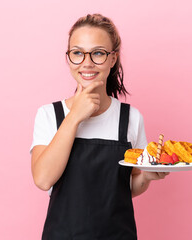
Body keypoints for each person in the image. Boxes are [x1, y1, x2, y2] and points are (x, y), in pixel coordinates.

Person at [30, 13, 169, 240]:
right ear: (68, 59)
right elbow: (43, 179)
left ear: (112, 59)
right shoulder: (49, 115)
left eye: (98, 53)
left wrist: (146, 178)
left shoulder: (131, 118)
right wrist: (74, 116)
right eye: (77, 53)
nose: (87, 62)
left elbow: (127, 186)